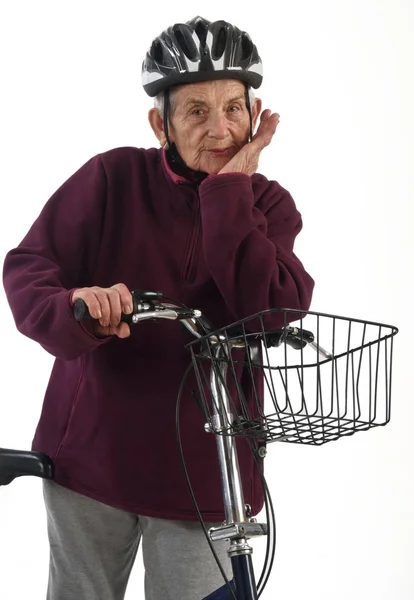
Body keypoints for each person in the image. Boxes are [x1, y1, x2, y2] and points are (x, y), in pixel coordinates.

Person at [2, 15, 314, 600]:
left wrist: (228, 192)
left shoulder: (269, 203)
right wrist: (74, 305)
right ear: (159, 122)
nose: (219, 128)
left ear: (254, 113)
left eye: (232, 108)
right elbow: (28, 269)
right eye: (196, 111)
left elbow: (270, 309)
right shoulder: (111, 178)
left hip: (206, 471)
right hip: (93, 458)